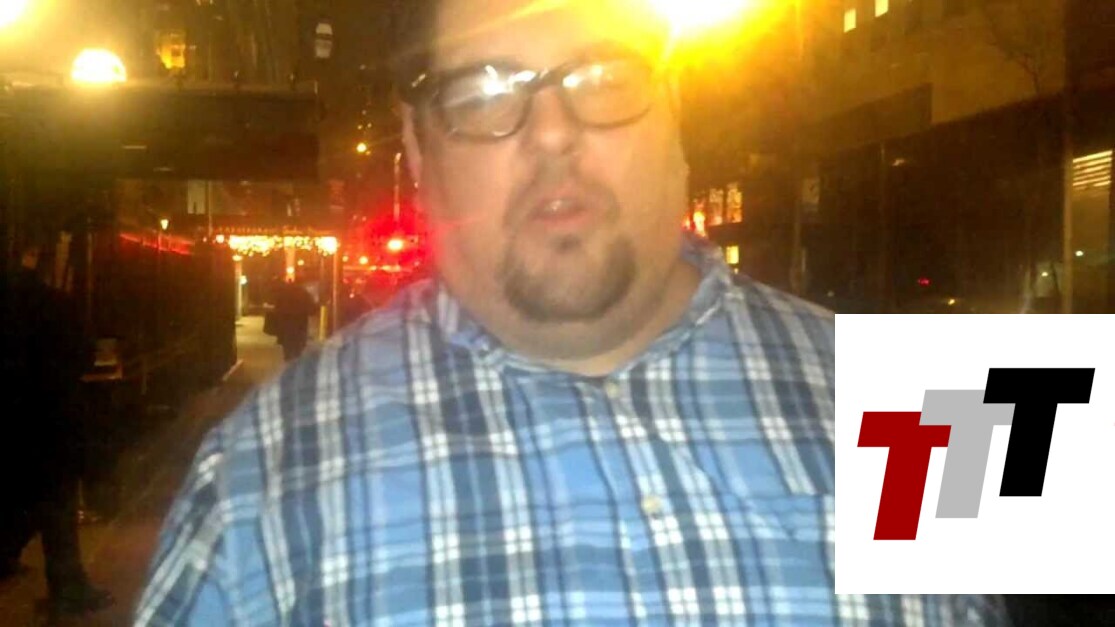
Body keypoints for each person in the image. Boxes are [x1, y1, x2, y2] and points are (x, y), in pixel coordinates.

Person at [135, 1, 1009, 624]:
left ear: (673, 111)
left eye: (600, 74)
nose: (552, 131)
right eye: (483, 92)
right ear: (417, 150)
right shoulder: (259, 477)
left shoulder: (939, 403)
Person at [0, 244, 114, 617]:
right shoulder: (56, 306)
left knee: (20, 498)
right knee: (56, 505)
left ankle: (10, 558)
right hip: (51, 418)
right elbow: (83, 355)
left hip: (12, 416)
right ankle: (68, 587)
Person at [270, 276, 317, 361]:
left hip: (286, 321)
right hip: (300, 322)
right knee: (299, 343)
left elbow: (277, 306)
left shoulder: (285, 292)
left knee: (287, 342)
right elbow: (312, 308)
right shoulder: (304, 293)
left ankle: (288, 357)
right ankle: (297, 358)